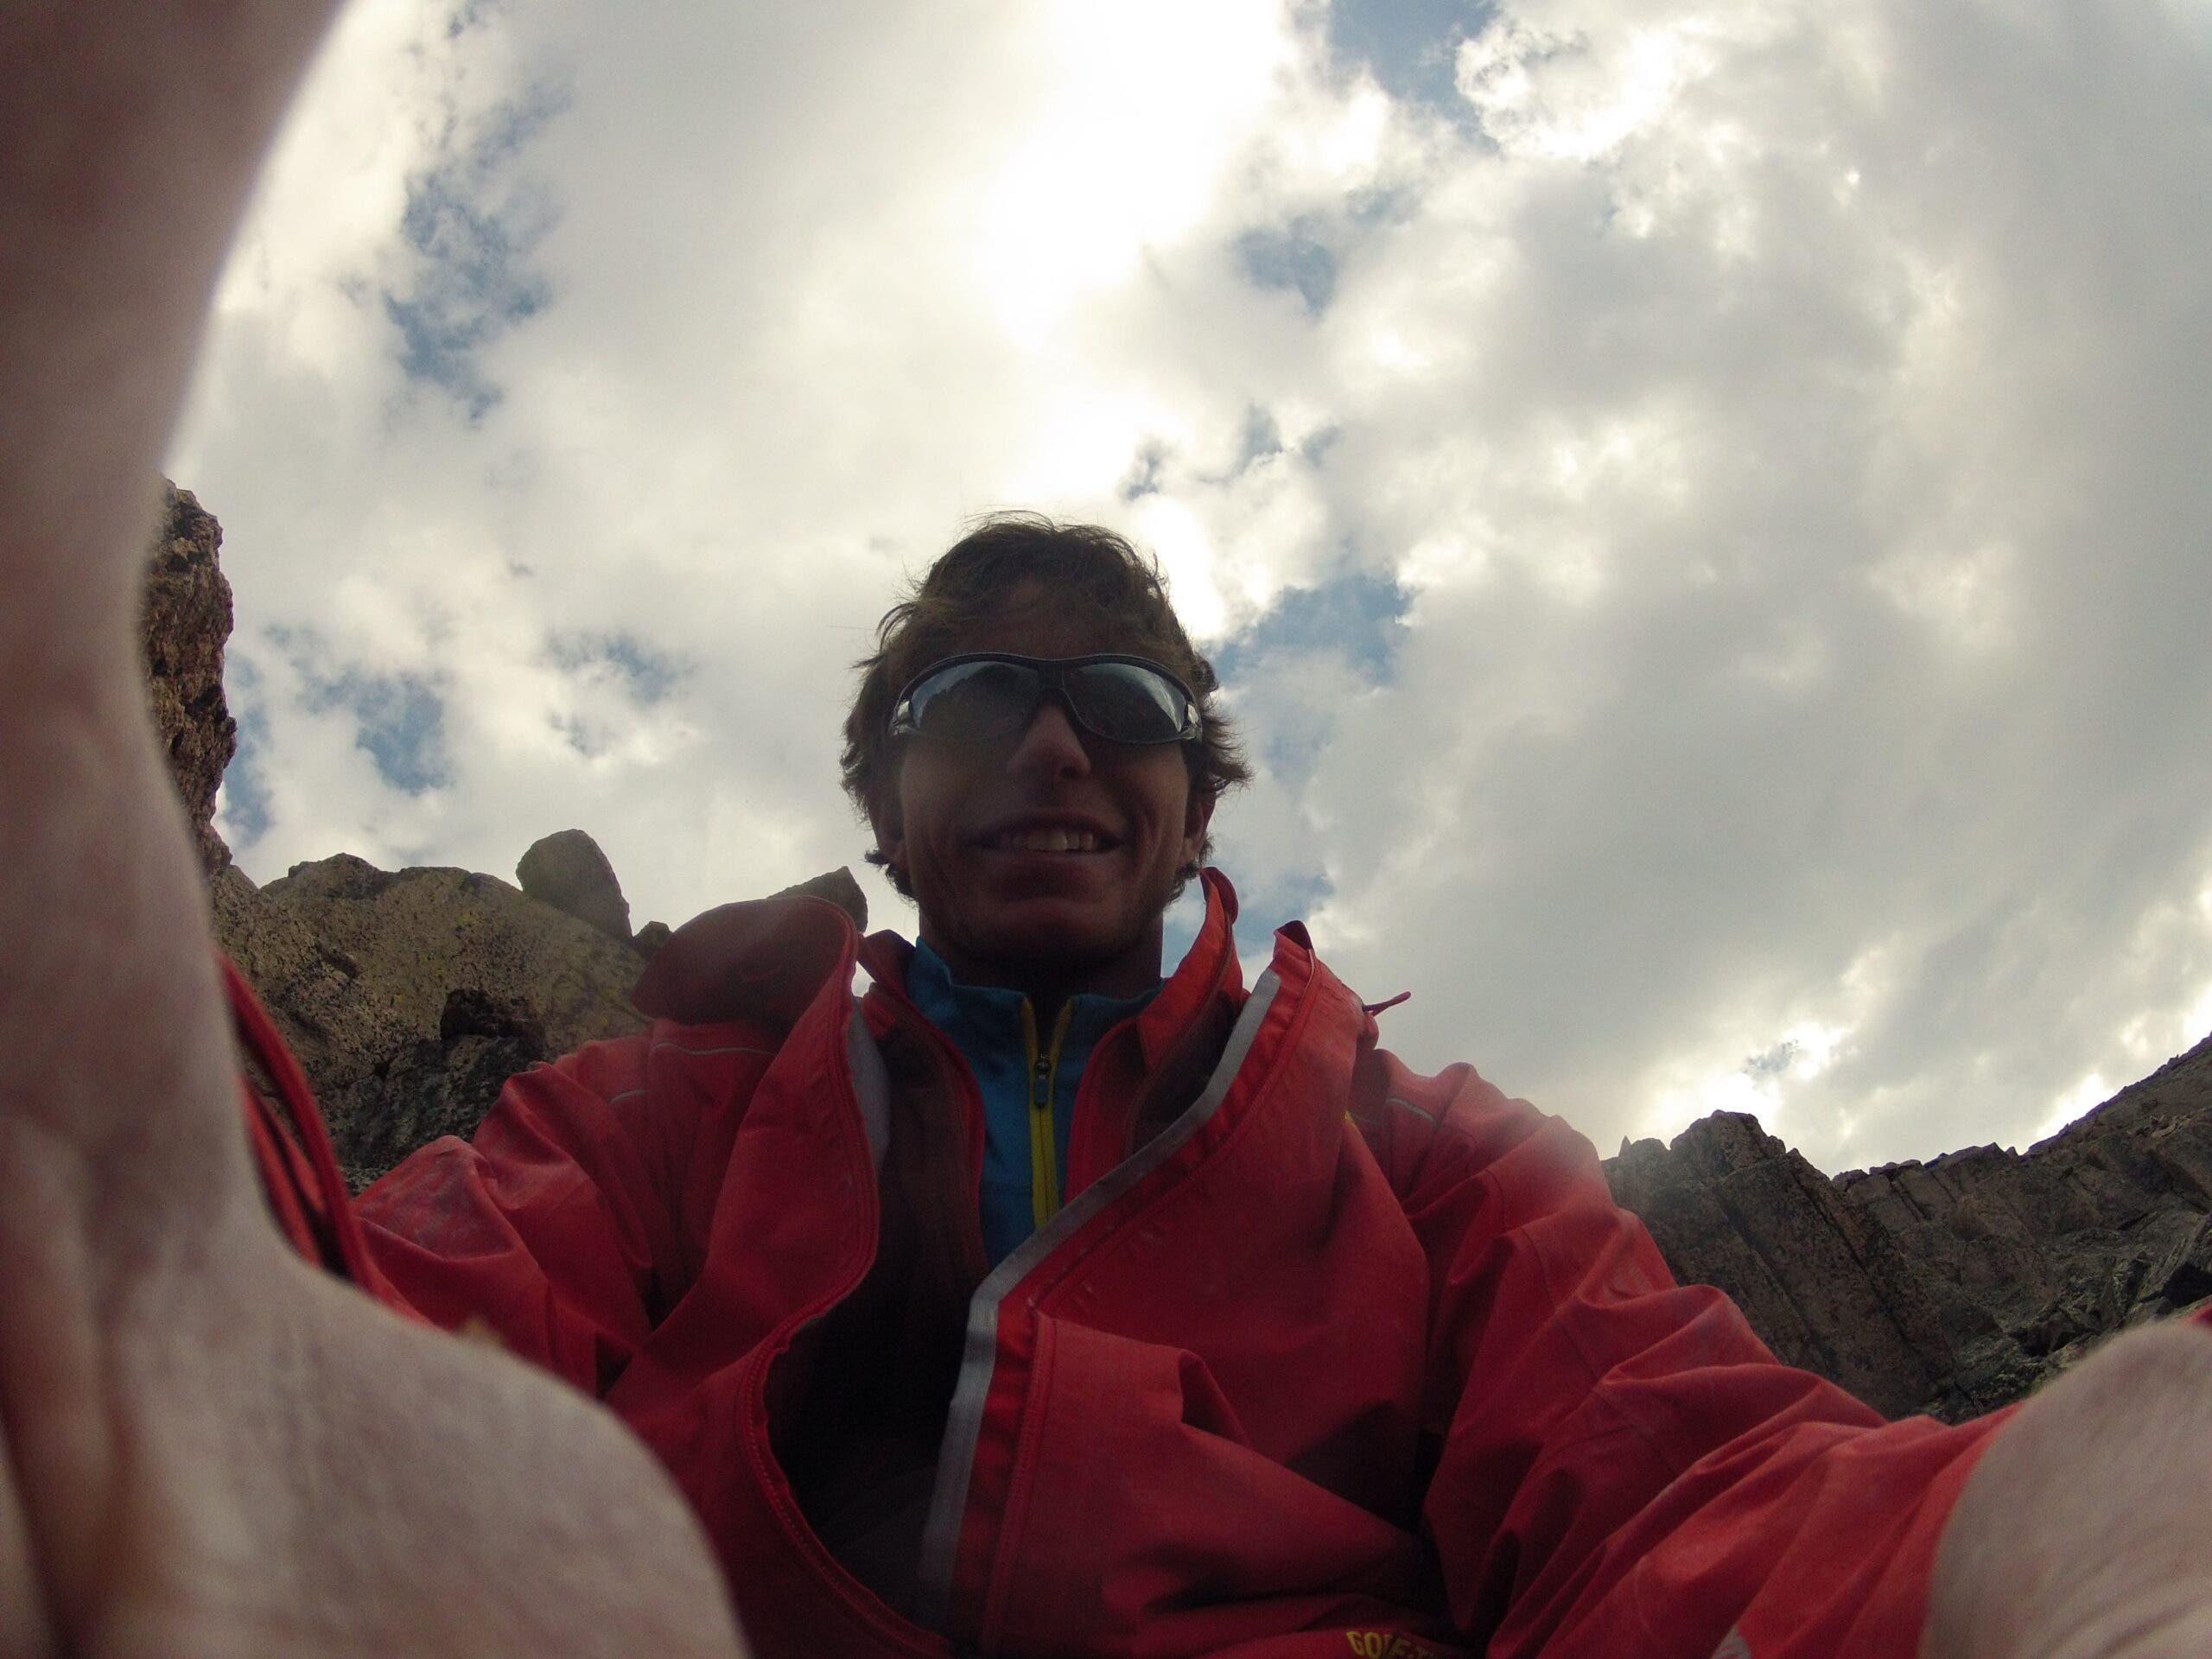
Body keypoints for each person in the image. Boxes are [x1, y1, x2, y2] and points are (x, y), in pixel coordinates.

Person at [6, 4, 2212, 1657]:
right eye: (976, 701)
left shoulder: (1422, 1165)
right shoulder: (678, 1116)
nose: (1052, 747)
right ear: (887, 811)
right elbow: (368, 1322)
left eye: (1120, 705)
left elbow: (1667, 1485)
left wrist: (1976, 1566)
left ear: (1191, 797)